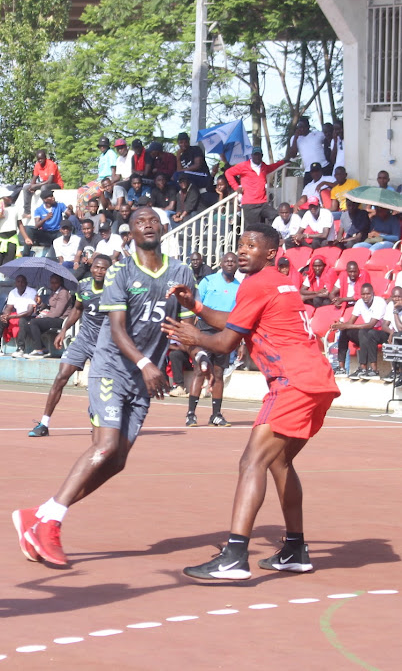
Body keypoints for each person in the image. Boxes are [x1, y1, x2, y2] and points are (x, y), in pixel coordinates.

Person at [12, 207, 195, 565]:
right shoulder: (120, 272)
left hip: (144, 380)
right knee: (105, 446)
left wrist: (198, 345)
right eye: (140, 221)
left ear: (163, 227)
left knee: (117, 462)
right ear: (130, 232)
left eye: (153, 220)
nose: (148, 225)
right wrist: (145, 364)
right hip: (112, 369)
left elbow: (183, 327)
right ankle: (50, 526)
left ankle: (40, 514)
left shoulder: (181, 272)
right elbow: (117, 329)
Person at [162, 223, 339, 580]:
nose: (243, 251)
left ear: (271, 252)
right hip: (317, 381)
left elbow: (226, 342)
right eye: (241, 245)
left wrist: (195, 336)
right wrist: (195, 306)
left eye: (252, 246)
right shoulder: (279, 283)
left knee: (251, 462)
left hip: (293, 383)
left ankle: (234, 556)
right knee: (279, 463)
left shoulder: (257, 283)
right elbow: (238, 322)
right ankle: (294, 549)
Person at [28, 255, 113, 436]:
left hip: (103, 344)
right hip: (83, 340)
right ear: (91, 268)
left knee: (97, 386)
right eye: (97, 267)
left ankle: (97, 419)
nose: (99, 271)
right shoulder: (83, 286)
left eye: (104, 268)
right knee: (61, 377)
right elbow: (77, 309)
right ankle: (44, 423)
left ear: (109, 271)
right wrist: (63, 329)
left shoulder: (114, 290)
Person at [185, 252, 240, 428]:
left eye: (233, 261)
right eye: (227, 261)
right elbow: (194, 304)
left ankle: (215, 415)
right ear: (221, 263)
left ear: (237, 265)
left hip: (225, 332)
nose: (230, 264)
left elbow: (240, 314)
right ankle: (191, 414)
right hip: (204, 329)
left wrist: (241, 342)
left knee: (218, 373)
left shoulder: (240, 287)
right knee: (200, 371)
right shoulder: (208, 281)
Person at [331, 282, 387, 379]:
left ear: (373, 293)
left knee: (365, 332)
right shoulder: (360, 302)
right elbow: (351, 322)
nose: (365, 297)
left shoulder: (380, 302)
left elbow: (371, 324)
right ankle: (341, 368)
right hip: (366, 333)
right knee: (345, 331)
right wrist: (340, 326)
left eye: (368, 294)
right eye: (363, 294)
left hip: (382, 332)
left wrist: (348, 326)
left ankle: (367, 369)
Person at [224, 146, 288, 225]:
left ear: (262, 156)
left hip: (262, 203)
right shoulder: (244, 165)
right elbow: (228, 173)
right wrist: (236, 187)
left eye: (259, 155)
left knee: (275, 216)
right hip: (249, 204)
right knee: (252, 229)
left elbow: (272, 167)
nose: (257, 157)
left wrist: (283, 162)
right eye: (255, 155)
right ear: (252, 155)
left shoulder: (264, 166)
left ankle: (270, 236)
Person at [0, 274, 37, 356]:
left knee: (22, 321)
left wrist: (11, 316)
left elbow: (29, 312)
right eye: (18, 282)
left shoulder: (32, 292)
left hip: (29, 317)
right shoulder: (13, 292)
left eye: (23, 282)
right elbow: (9, 307)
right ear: (15, 283)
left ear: (26, 283)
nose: (20, 284)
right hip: (16, 315)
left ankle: (20, 349)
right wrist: (5, 316)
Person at [22, 274, 73, 359]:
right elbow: (51, 307)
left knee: (34, 322)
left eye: (55, 283)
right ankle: (43, 349)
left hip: (61, 320)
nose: (53, 285)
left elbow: (57, 313)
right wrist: (41, 304)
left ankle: (38, 350)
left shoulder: (63, 293)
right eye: (51, 283)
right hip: (52, 318)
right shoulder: (54, 292)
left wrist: (43, 317)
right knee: (27, 325)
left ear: (60, 282)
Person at [0, 185, 32, 278]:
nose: (10, 198)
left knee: (9, 264)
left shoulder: (15, 208)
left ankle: (6, 284)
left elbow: (19, 223)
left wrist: (26, 238)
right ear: (2, 198)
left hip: (12, 237)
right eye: (8, 197)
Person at [22, 149, 64, 219]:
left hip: (56, 184)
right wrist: (32, 187)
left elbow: (49, 181)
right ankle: (27, 212)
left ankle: (46, 209)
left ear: (45, 158)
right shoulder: (37, 165)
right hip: (45, 183)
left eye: (41, 159)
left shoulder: (51, 164)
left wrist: (35, 186)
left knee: (44, 188)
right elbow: (34, 179)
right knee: (26, 188)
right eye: (38, 159)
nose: (40, 161)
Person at [24, 189, 68, 253]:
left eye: (53, 196)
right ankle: (25, 256)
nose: (53, 198)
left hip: (57, 232)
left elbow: (71, 214)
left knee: (63, 232)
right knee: (30, 230)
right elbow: (36, 226)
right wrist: (45, 219)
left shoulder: (60, 205)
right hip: (46, 233)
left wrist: (71, 210)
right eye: (51, 196)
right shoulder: (39, 210)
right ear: (45, 200)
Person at [288, 118, 330, 185]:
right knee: (307, 192)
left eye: (303, 127)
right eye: (299, 127)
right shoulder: (294, 139)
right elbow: (293, 154)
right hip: (309, 170)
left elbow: (329, 139)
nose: (301, 129)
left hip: (324, 166)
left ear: (308, 127)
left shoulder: (317, 134)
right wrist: (296, 138)